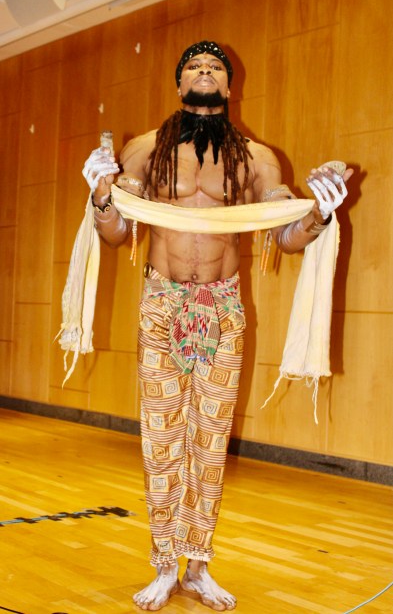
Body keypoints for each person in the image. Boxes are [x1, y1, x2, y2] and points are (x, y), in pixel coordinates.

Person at [82, 40, 353, 611]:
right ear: (179, 85)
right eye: (193, 67)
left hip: (223, 309)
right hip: (162, 303)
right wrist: (102, 195)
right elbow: (116, 230)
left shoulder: (257, 159)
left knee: (209, 441)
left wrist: (319, 210)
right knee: (160, 441)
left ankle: (199, 566)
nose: (204, 71)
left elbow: (284, 231)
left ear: (229, 88)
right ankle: (162, 563)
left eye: (215, 68)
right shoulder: (144, 149)